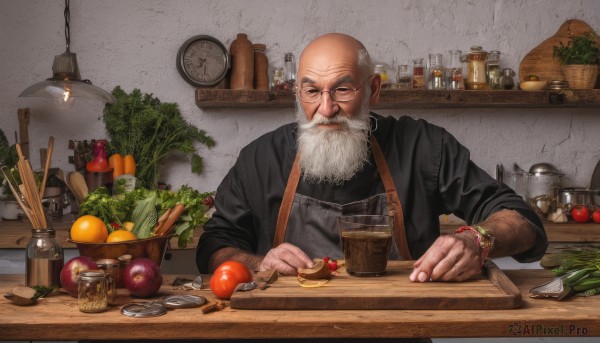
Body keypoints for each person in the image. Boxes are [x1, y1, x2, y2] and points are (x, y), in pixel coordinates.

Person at [196, 33, 547, 283]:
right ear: (298, 92)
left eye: (343, 89)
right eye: (312, 91)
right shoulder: (261, 159)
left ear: (374, 90)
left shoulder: (422, 147)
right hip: (285, 330)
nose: (327, 108)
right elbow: (214, 246)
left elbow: (522, 221)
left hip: (398, 328)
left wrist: (477, 240)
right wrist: (257, 262)